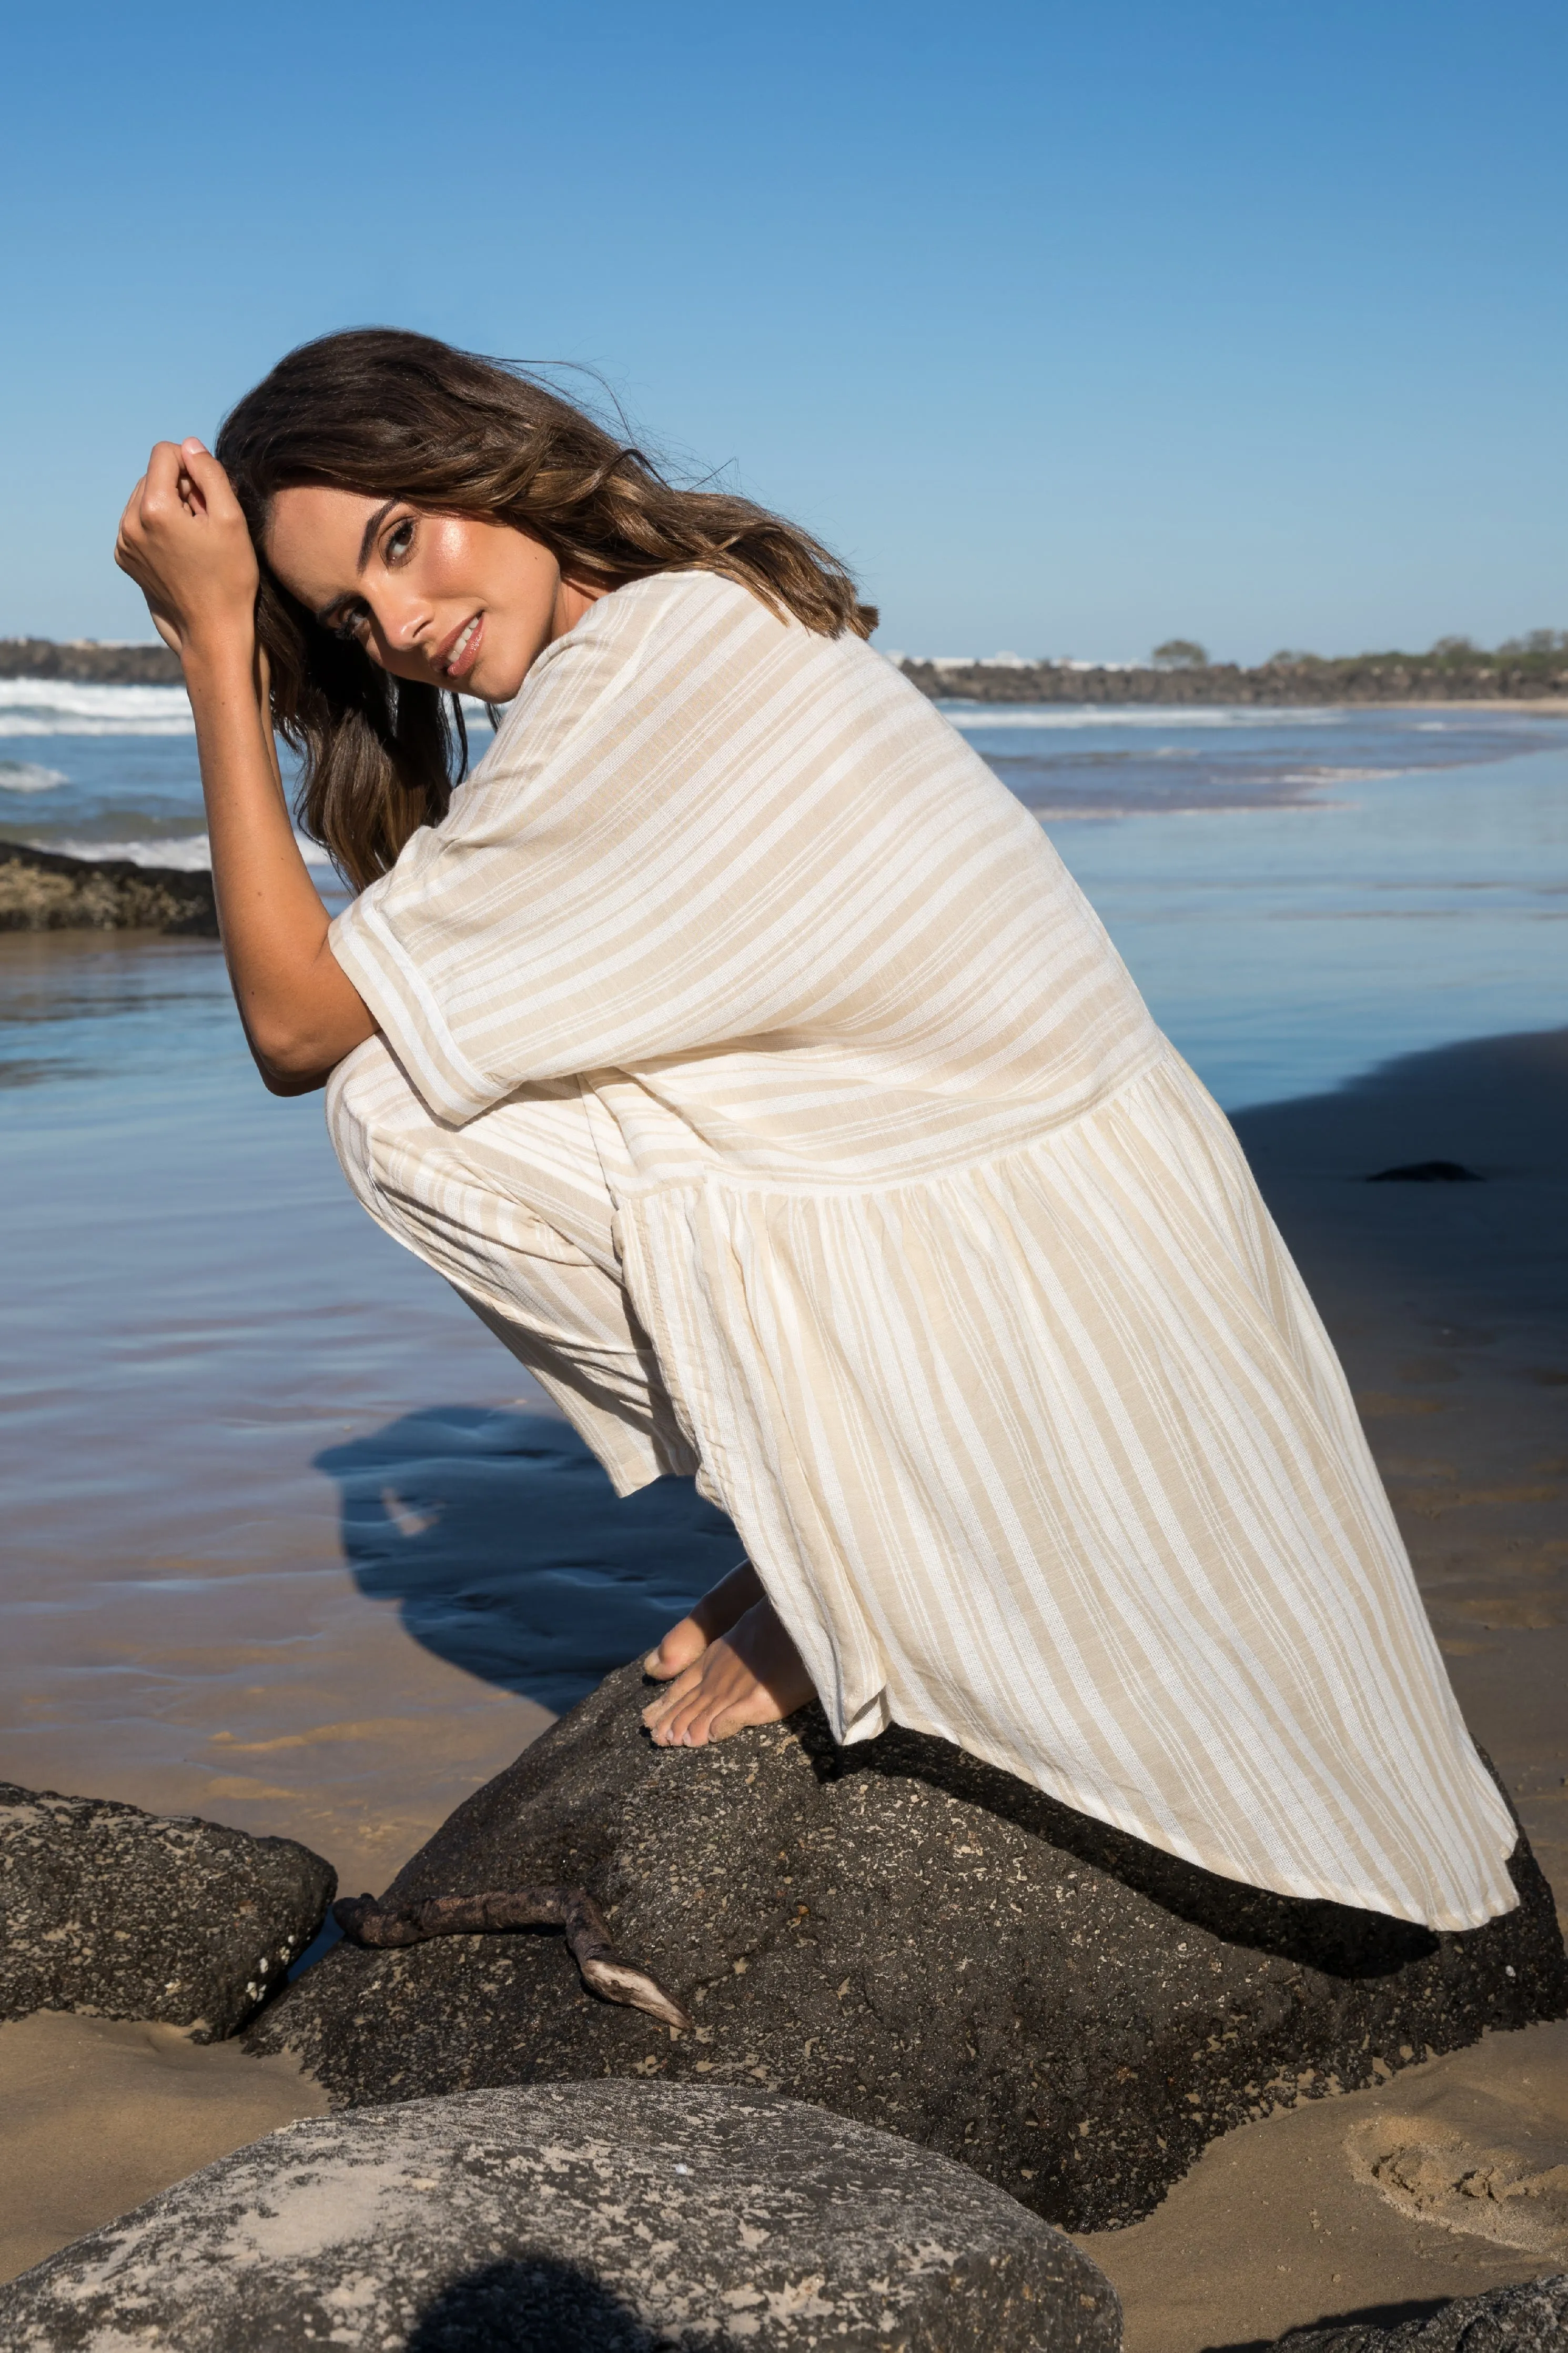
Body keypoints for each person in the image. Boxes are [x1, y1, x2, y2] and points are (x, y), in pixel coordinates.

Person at [115, 328, 1518, 1935]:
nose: (409, 627)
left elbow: (299, 1029)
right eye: (353, 618)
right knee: (448, 1083)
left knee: (397, 1113)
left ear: (481, 462)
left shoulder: (651, 673)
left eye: (399, 543)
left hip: (1043, 1233)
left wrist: (213, 643)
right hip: (1055, 1194)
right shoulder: (685, 627)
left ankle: (854, 1547)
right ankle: (827, 1524)